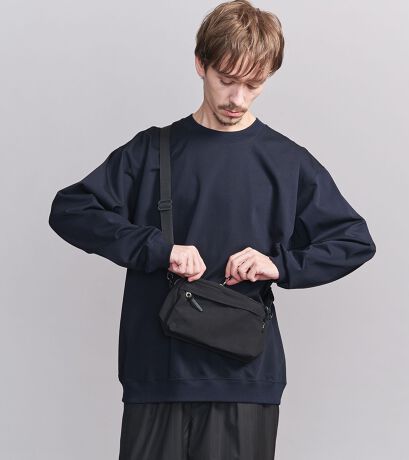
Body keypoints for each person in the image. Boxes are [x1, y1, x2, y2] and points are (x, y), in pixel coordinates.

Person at [48, 1, 376, 459]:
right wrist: (157, 248)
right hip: (157, 374)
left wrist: (279, 266)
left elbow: (354, 240)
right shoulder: (151, 151)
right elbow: (70, 210)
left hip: (245, 379)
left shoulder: (286, 162)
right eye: (226, 79)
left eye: (253, 85)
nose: (237, 98)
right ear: (200, 64)